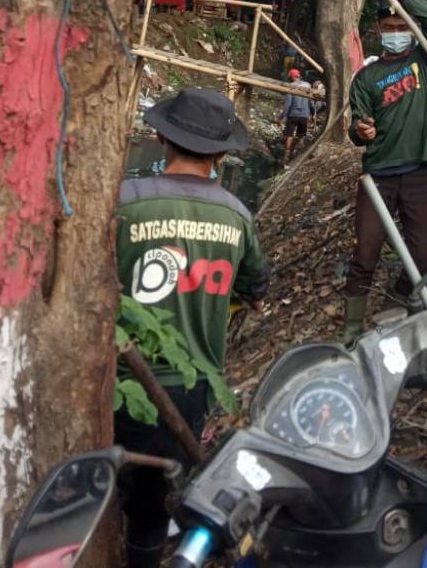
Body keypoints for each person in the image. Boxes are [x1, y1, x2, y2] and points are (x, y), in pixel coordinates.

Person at [115, 87, 270, 568]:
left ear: (163, 138)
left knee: (97, 487)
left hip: (116, 381)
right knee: (152, 510)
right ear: (221, 155)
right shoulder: (237, 216)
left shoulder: (125, 201)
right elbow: (256, 286)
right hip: (191, 387)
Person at [342, 0, 427, 344]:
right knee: (364, 254)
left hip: (421, 173)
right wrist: (361, 130)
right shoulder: (366, 78)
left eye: (402, 26)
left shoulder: (426, 60)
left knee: (424, 255)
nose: (397, 32)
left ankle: (399, 301)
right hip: (378, 178)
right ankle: (352, 331)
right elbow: (357, 129)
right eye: (389, 27)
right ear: (378, 30)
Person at [280, 67, 314, 167]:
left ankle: (286, 158)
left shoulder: (291, 86)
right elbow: (311, 101)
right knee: (301, 136)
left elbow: (288, 104)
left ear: (292, 77)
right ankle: (300, 155)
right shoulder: (308, 85)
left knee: (289, 135)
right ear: (299, 76)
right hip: (304, 115)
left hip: (293, 115)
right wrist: (312, 114)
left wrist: (282, 117)